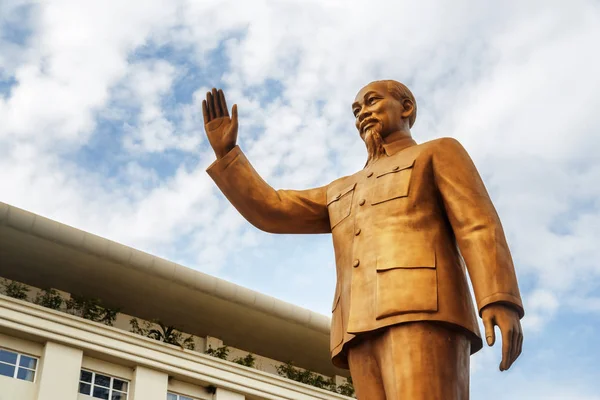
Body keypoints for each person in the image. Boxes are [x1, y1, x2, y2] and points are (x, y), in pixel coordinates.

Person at [204, 80, 524, 399]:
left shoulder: (437, 153)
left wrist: (497, 297)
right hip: (355, 327)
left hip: (423, 309)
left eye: (371, 102)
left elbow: (477, 223)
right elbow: (274, 209)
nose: (362, 114)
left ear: (406, 108)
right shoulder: (342, 189)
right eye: (356, 110)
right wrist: (228, 154)